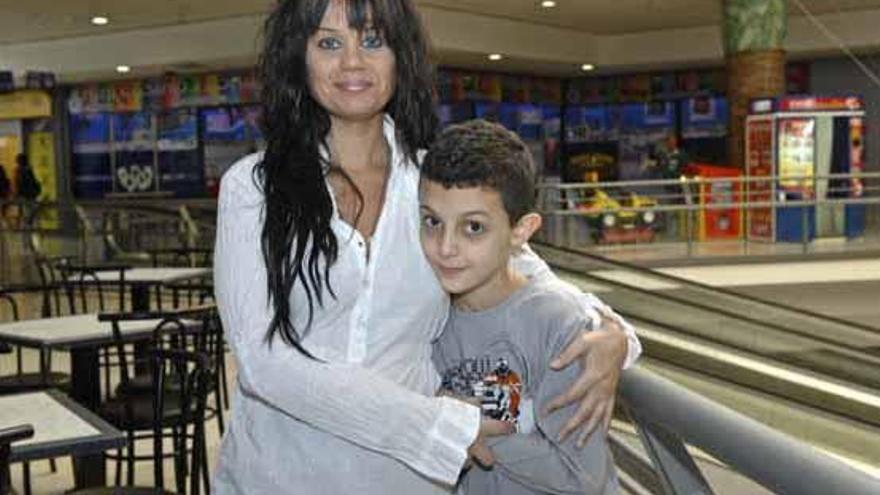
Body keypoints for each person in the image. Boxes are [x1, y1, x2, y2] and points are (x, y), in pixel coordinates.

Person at [213, 0, 640, 493]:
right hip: (278, 476)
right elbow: (264, 362)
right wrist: (441, 426)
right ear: (300, 59)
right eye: (329, 43)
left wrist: (613, 334)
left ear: (400, 55)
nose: (352, 62)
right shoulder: (255, 188)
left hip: (408, 482)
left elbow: (526, 269)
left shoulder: (429, 182)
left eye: (372, 40)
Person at [424, 120, 618, 495]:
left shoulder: (559, 325)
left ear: (521, 230)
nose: (445, 247)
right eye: (432, 221)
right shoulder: (428, 317)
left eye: (474, 228)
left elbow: (582, 478)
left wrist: (470, 427)